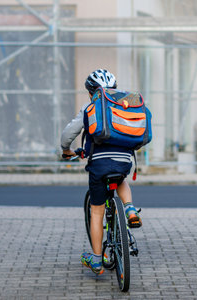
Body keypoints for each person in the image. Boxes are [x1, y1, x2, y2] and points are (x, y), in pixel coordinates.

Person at [60, 69, 142, 274]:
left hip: (99, 163)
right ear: (113, 89)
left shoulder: (90, 107)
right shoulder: (124, 105)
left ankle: (97, 260)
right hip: (124, 160)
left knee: (96, 212)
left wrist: (66, 150)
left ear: (90, 92)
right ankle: (130, 208)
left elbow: (69, 132)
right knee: (121, 179)